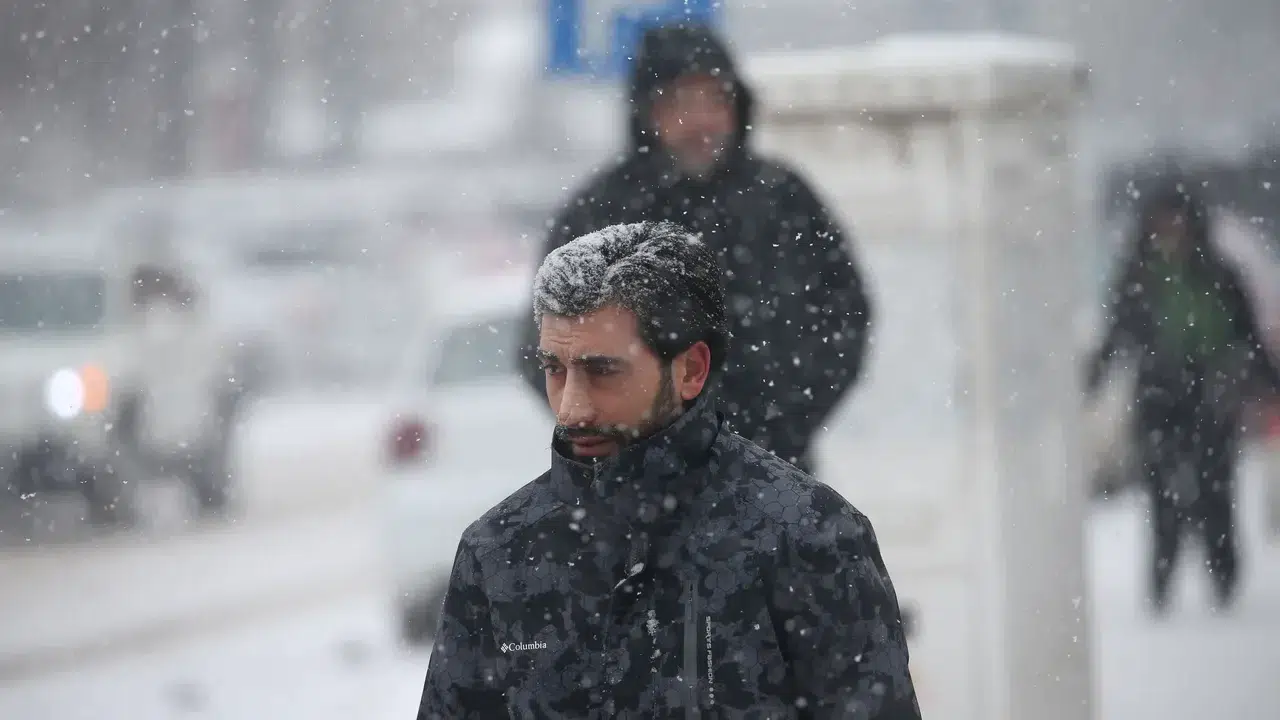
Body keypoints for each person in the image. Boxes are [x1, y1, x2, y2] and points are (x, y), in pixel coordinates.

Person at [420, 221, 919, 719]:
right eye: (555, 369)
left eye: (603, 371)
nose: (571, 408)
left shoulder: (809, 538)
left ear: (690, 370)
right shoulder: (499, 552)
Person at [517, 21, 873, 475]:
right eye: (682, 102)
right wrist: (624, 435)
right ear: (647, 112)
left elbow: (845, 317)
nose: (703, 120)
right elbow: (543, 346)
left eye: (716, 99)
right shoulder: (602, 211)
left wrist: (784, 423)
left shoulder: (783, 199)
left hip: (773, 473)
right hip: (632, 493)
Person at [1085, 180, 1280, 614]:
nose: (1170, 230)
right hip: (1159, 402)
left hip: (1211, 401)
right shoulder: (1140, 276)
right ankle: (1162, 585)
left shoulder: (1219, 274)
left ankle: (1224, 581)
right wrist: (1092, 379)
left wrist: (1265, 380)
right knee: (1163, 504)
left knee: (1216, 499)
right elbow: (1119, 334)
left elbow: (1245, 335)